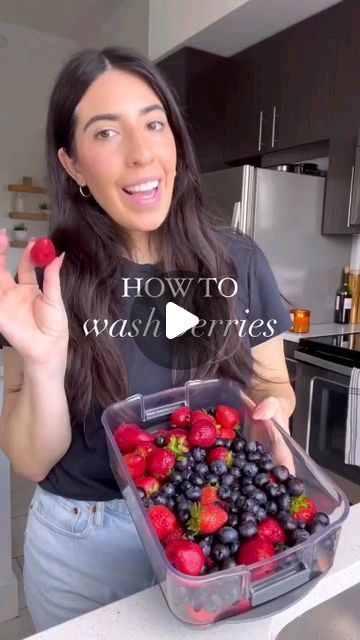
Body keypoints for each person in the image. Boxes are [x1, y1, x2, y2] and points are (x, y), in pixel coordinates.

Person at [0, 46, 295, 632]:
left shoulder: (238, 262)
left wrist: (273, 417)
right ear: (74, 165)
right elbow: (33, 459)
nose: (141, 153)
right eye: (106, 133)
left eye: (154, 123)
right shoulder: (46, 279)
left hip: (218, 529)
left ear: (175, 140)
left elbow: (274, 384)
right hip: (85, 547)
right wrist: (41, 360)